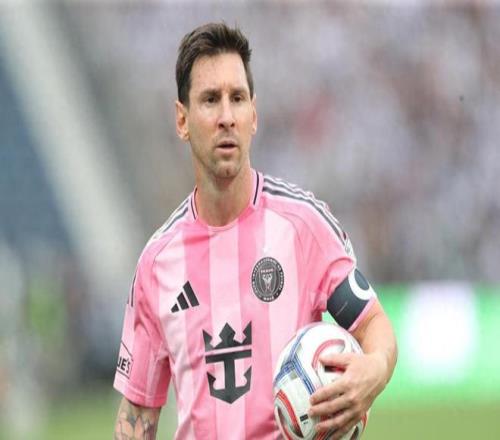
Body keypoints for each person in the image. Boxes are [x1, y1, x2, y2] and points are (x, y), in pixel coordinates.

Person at [113, 22, 397, 440]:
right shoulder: (157, 264)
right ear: (182, 120)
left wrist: (373, 370)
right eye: (210, 100)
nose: (226, 117)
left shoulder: (303, 226)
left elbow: (374, 324)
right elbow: (137, 414)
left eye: (237, 98)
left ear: (254, 116)